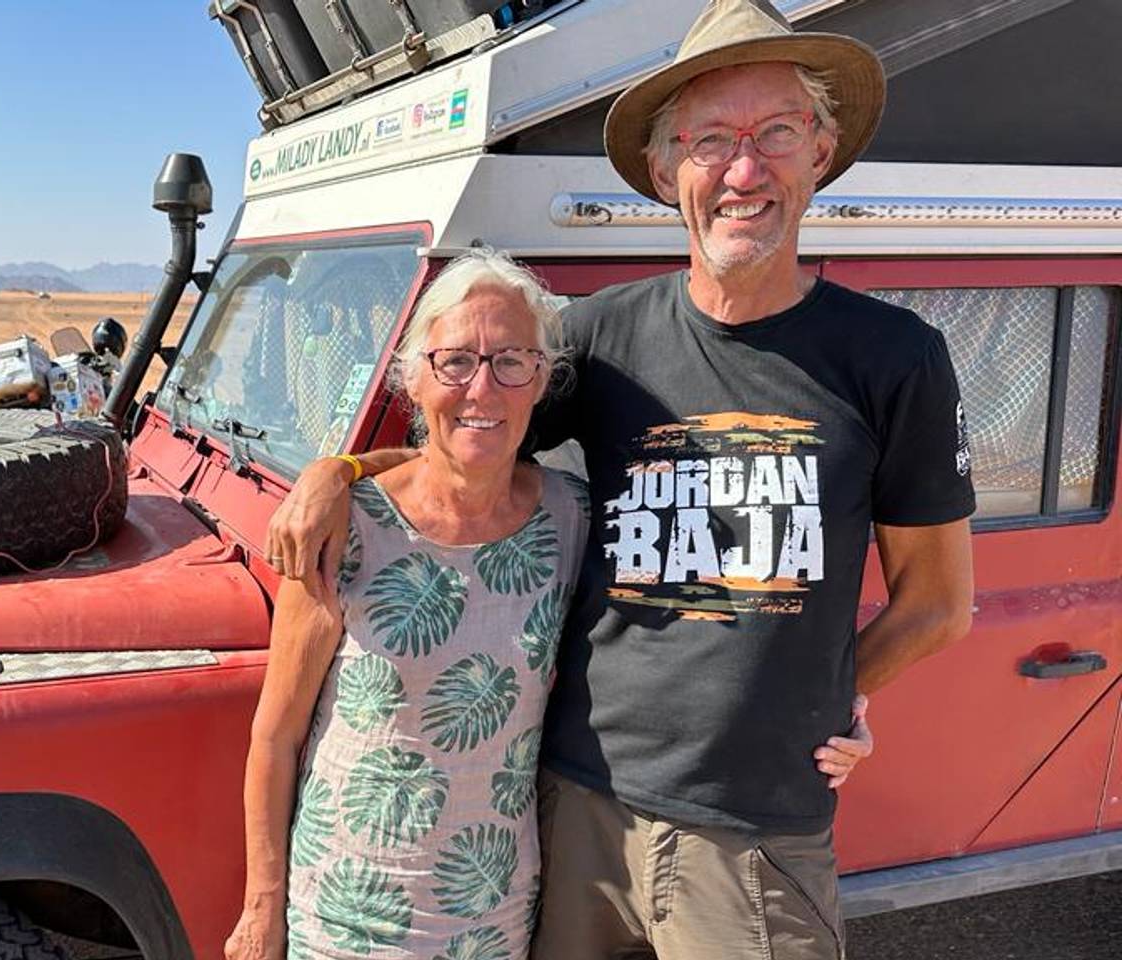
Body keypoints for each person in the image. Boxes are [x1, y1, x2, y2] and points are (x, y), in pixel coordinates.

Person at [265, 1, 975, 957]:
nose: (743, 171)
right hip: (576, 805)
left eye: (775, 133)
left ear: (820, 150)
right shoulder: (599, 338)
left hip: (754, 831)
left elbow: (938, 605)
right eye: (710, 141)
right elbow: (467, 447)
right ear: (665, 168)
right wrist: (336, 471)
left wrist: (830, 692)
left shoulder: (896, 358)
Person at [225, 251, 590, 960]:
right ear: (414, 377)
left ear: (541, 379)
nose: (481, 388)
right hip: (345, 917)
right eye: (455, 361)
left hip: (492, 913)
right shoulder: (343, 527)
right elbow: (275, 736)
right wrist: (261, 910)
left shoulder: (569, 518)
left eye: (511, 361)